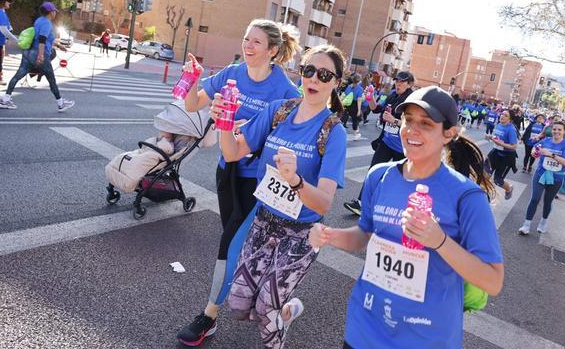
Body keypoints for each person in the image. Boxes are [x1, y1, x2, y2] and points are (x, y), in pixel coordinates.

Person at [309, 86, 504, 349]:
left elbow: (492, 281)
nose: (412, 130)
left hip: (425, 338)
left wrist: (440, 241)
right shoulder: (380, 175)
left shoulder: (466, 197)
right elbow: (364, 233)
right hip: (364, 327)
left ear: (448, 134)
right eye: (408, 120)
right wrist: (330, 236)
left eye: (425, 124)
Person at [176, 19, 302, 346]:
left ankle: (209, 315)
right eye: (246, 38)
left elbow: (292, 139)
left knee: (231, 243)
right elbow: (193, 105)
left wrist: (248, 130)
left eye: (257, 41)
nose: (248, 45)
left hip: (258, 181)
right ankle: (274, 301)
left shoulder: (286, 91)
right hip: (227, 171)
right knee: (239, 242)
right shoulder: (231, 74)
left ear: (273, 51)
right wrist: (192, 79)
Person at [217, 44, 347, 349]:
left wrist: (296, 180)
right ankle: (287, 311)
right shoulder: (279, 110)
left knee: (264, 310)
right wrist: (225, 121)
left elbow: (325, 202)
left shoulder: (333, 131)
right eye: (308, 70)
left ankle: (277, 329)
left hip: (301, 234)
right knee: (238, 306)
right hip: (264, 222)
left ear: (336, 82)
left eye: (324, 74)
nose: (314, 79)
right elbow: (233, 151)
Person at [344, 71, 414, 216]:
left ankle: (394, 210)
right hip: (386, 142)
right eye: (397, 81)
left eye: (402, 81)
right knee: (373, 172)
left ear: (409, 84)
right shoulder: (393, 95)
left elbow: (413, 126)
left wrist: (394, 121)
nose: (398, 83)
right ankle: (361, 204)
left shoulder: (412, 101)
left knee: (398, 180)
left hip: (402, 148)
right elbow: (376, 109)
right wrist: (370, 98)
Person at [0, 2, 75, 112]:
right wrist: (41, 55)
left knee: (17, 76)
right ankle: (61, 103)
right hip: (39, 53)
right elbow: (42, 40)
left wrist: (59, 45)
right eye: (54, 11)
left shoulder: (38, 21)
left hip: (28, 53)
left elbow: (43, 38)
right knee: (51, 79)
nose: (55, 14)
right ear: (50, 12)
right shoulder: (47, 23)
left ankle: (5, 99)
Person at [518, 121, 565, 234]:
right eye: (554, 129)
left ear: (564, 131)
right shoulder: (545, 141)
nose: (556, 131)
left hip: (556, 177)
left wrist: (551, 155)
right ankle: (526, 225)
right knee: (534, 199)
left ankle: (543, 222)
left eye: (559, 130)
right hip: (541, 173)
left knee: (548, 201)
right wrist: (534, 152)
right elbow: (535, 148)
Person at [485, 109, 518, 200]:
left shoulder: (511, 129)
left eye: (506, 115)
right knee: (485, 174)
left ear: (510, 120)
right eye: (502, 114)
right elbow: (497, 139)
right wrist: (490, 137)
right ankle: (484, 195)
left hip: (506, 156)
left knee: (497, 180)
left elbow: (514, 146)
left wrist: (501, 144)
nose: (502, 116)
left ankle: (509, 189)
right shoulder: (499, 125)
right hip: (495, 152)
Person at [340, 73, 364, 140]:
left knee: (344, 118)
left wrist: (340, 102)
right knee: (355, 120)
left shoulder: (349, 87)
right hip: (355, 105)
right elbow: (359, 100)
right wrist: (359, 110)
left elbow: (344, 95)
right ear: (359, 81)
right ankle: (356, 134)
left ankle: (356, 131)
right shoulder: (360, 89)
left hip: (348, 104)